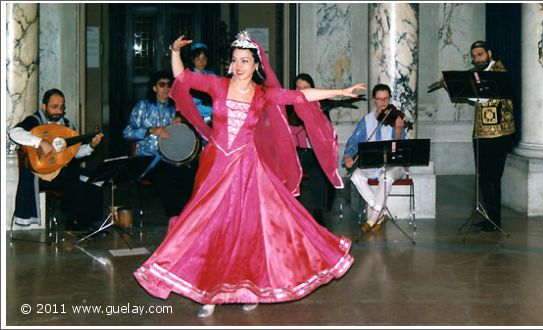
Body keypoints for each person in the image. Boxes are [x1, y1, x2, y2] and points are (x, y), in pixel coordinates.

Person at [134, 31, 365, 319]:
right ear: (230, 64)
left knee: (251, 230)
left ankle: (250, 288)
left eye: (245, 60)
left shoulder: (263, 94)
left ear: (256, 66)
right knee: (211, 228)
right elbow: (183, 79)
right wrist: (174, 52)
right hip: (217, 167)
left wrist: (339, 92)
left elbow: (299, 95)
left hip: (248, 170)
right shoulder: (217, 85)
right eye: (235, 60)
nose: (240, 65)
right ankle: (210, 291)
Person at [9, 88, 104, 230]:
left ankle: (88, 222)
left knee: (97, 177)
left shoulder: (67, 125)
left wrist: (90, 146)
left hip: (61, 173)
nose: (59, 111)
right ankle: (73, 222)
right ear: (44, 106)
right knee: (73, 175)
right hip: (42, 174)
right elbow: (14, 133)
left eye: (61, 107)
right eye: (54, 107)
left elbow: (74, 153)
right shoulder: (34, 121)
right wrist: (40, 142)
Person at [123, 70, 197, 219]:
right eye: (162, 85)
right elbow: (127, 133)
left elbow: (178, 138)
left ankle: (182, 219)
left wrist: (180, 124)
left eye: (169, 85)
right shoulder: (143, 107)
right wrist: (151, 130)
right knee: (167, 181)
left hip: (168, 159)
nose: (166, 88)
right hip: (146, 160)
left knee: (189, 177)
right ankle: (175, 220)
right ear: (154, 88)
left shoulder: (172, 110)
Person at [343, 84, 408, 234]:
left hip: (394, 165)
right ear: (374, 100)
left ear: (390, 99)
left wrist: (398, 129)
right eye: (379, 99)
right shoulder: (367, 120)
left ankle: (372, 218)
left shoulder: (397, 118)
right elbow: (353, 141)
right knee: (356, 176)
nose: (383, 103)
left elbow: (401, 149)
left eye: (386, 99)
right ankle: (381, 212)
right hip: (374, 163)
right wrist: (348, 156)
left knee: (387, 176)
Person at [466, 40, 515, 232]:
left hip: (498, 133)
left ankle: (495, 221)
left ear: (489, 53)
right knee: (483, 176)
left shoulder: (499, 71)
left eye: (480, 55)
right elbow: (476, 98)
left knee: (492, 177)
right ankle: (490, 218)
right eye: (474, 56)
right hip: (481, 132)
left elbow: (488, 95)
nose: (477, 59)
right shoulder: (479, 73)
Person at [287, 73, 331, 226]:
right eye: (299, 88)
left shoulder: (320, 107)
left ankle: (318, 211)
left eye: (305, 88)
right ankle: (294, 210)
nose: (302, 91)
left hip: (312, 152)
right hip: (293, 152)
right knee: (292, 167)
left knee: (318, 169)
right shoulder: (288, 107)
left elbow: (327, 131)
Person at [186, 42, 217, 126]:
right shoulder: (188, 77)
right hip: (196, 118)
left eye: (204, 59)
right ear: (192, 60)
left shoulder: (211, 75)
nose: (202, 62)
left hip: (213, 117)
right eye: (198, 59)